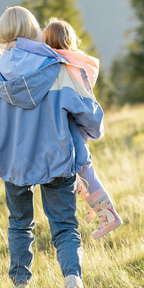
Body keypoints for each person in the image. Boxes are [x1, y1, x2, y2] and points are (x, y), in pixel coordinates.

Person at [0, 6, 104, 288]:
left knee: (20, 226)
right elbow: (92, 119)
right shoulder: (57, 68)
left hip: (12, 164)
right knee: (64, 226)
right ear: (33, 31)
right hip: (55, 159)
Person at [42, 18, 123, 238]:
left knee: (85, 174)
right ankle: (97, 207)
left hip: (69, 139)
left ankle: (108, 215)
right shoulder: (74, 65)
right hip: (76, 135)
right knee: (83, 174)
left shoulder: (59, 69)